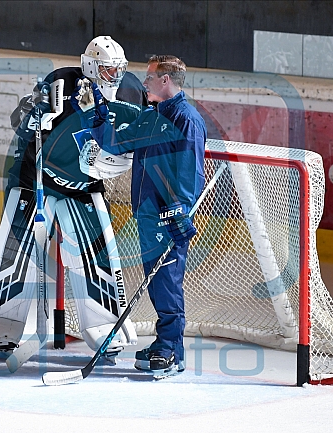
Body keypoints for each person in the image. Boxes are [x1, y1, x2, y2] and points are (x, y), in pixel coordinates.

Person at [0, 36, 148, 360]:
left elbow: (142, 129)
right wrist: (36, 113)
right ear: (90, 67)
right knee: (17, 255)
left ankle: (106, 328)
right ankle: (1, 327)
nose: (114, 77)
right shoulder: (61, 83)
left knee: (97, 256)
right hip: (34, 179)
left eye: (118, 70)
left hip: (82, 187)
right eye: (107, 71)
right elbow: (20, 123)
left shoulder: (130, 91)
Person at [75, 55, 207, 376]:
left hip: (168, 220)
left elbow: (191, 176)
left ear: (165, 80)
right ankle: (167, 343)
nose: (143, 83)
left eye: (149, 78)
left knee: (167, 283)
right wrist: (100, 114)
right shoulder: (153, 116)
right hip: (147, 217)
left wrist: (178, 216)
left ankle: (170, 349)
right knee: (157, 285)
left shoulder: (186, 120)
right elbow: (117, 142)